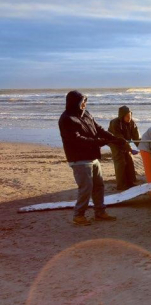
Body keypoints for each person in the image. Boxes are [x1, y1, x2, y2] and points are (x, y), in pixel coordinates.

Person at [58, 90, 126, 225]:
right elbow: (77, 140)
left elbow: (98, 129)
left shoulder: (87, 114)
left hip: (93, 156)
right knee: (86, 187)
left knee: (99, 186)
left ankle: (100, 212)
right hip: (79, 159)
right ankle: (79, 215)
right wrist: (101, 142)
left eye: (85, 101)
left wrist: (114, 138)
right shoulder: (66, 119)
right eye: (82, 101)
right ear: (74, 102)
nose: (84, 104)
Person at [108, 105, 140, 191]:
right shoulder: (115, 123)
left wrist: (142, 147)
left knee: (129, 161)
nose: (129, 118)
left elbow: (136, 137)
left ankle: (130, 182)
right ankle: (121, 185)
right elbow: (120, 139)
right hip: (115, 143)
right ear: (122, 116)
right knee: (120, 162)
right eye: (127, 116)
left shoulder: (132, 123)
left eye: (130, 116)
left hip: (125, 142)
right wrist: (130, 149)